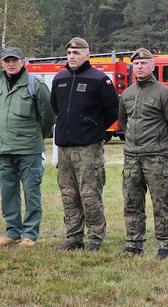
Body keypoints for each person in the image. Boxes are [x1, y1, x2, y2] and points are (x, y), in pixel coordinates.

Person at [50, 37, 119, 251]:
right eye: (69, 53)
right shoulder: (59, 79)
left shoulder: (99, 80)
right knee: (68, 195)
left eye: (76, 53)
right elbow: (56, 108)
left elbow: (111, 111)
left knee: (90, 195)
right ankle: (74, 238)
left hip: (88, 148)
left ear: (88, 55)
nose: (72, 56)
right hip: (65, 148)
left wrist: (93, 129)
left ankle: (95, 238)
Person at [118, 48, 168, 259]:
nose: (139, 67)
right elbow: (123, 121)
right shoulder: (127, 94)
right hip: (131, 157)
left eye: (144, 63)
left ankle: (165, 244)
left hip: (155, 157)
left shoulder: (164, 94)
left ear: (152, 65)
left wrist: (162, 144)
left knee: (161, 201)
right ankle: (134, 243)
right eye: (136, 64)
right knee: (132, 201)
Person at [0, 47, 54, 248]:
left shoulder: (35, 85)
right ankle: (12, 232)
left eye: (15, 60)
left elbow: (48, 116)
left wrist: (37, 137)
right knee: (8, 193)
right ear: (2, 63)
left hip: (29, 150)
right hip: (4, 151)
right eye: (7, 61)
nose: (11, 64)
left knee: (32, 193)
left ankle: (29, 234)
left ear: (23, 62)